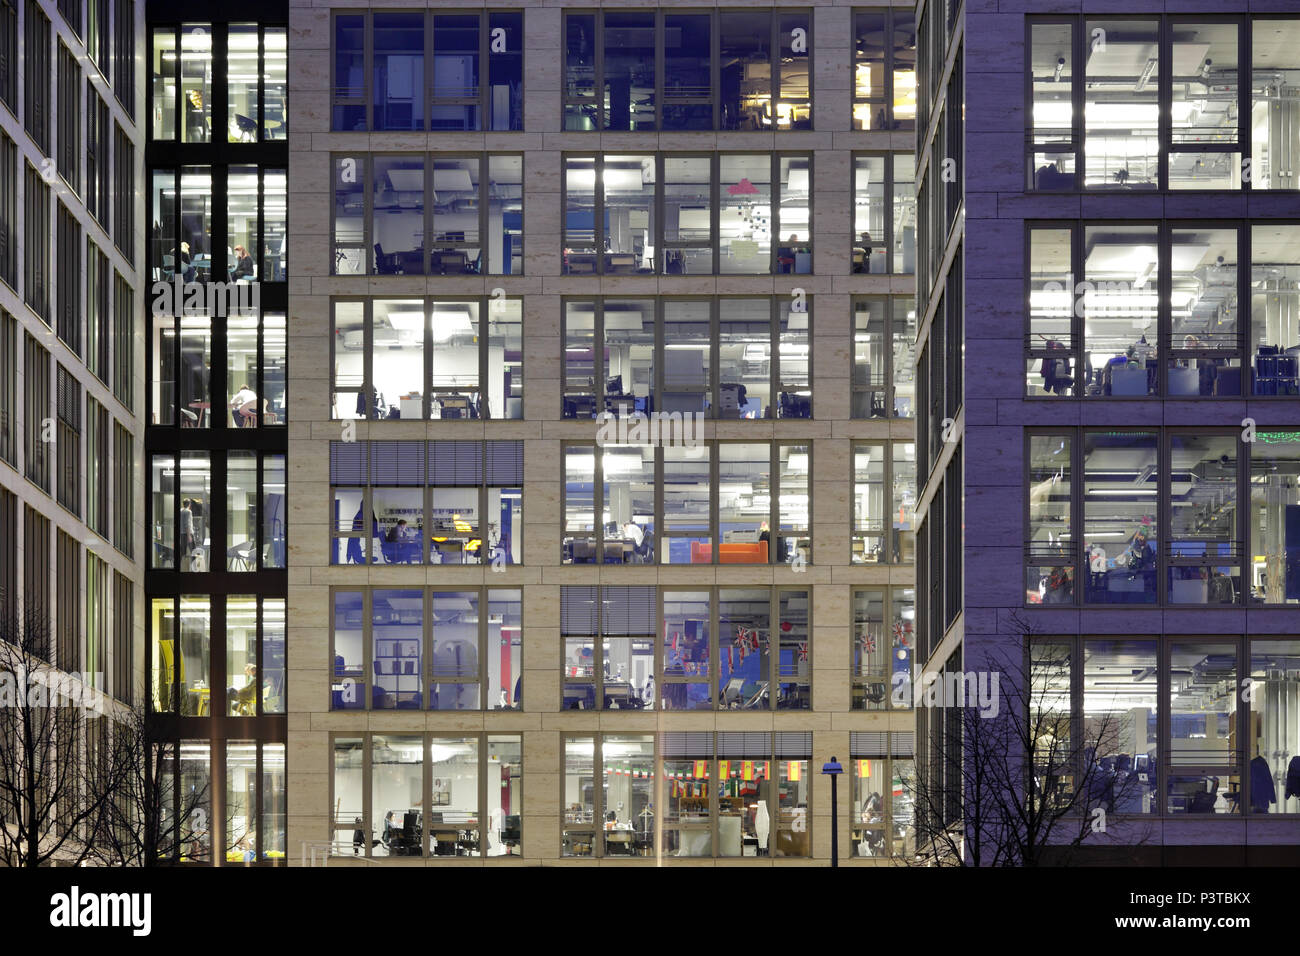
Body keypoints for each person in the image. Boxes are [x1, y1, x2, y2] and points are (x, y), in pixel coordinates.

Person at [179, 498, 196, 568]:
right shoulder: (188, 512)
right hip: (188, 534)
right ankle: (194, 568)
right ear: (189, 504)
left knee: (182, 552)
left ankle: (180, 567)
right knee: (194, 551)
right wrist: (189, 536)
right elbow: (187, 524)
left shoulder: (180, 511)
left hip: (182, 534)